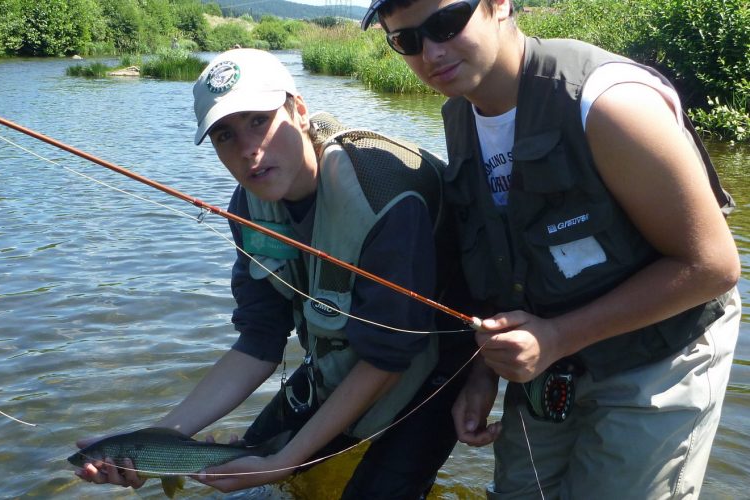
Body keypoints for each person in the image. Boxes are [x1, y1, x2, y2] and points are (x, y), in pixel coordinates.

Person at [361, 0, 741, 498]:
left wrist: (559, 336)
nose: (431, 51)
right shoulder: (459, 115)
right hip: (552, 358)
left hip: (660, 351)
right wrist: (482, 375)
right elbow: (499, 260)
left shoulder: (609, 104)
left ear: (500, 4)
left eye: (446, 23)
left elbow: (712, 266)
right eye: (407, 41)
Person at [73, 48, 476, 498]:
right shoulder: (249, 208)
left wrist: (284, 461)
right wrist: (151, 442)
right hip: (347, 359)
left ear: (298, 110)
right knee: (252, 469)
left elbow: (388, 356)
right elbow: (260, 340)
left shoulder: (382, 192)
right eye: (225, 135)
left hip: (434, 360)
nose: (249, 150)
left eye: (259, 121)